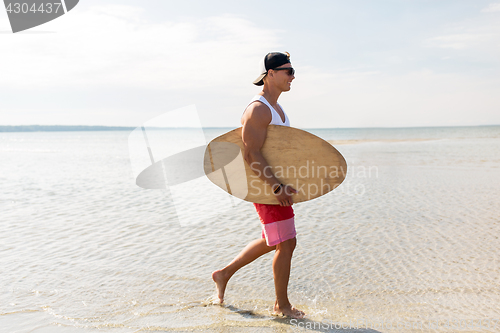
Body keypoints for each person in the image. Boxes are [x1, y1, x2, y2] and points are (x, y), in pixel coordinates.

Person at [212, 52, 305, 319]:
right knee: (286, 242)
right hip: (267, 188)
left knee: (274, 239)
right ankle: (282, 306)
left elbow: (278, 151)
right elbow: (251, 154)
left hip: (277, 185)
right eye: (289, 71)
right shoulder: (258, 109)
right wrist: (276, 188)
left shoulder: (277, 109)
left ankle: (224, 273)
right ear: (271, 74)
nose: (293, 76)